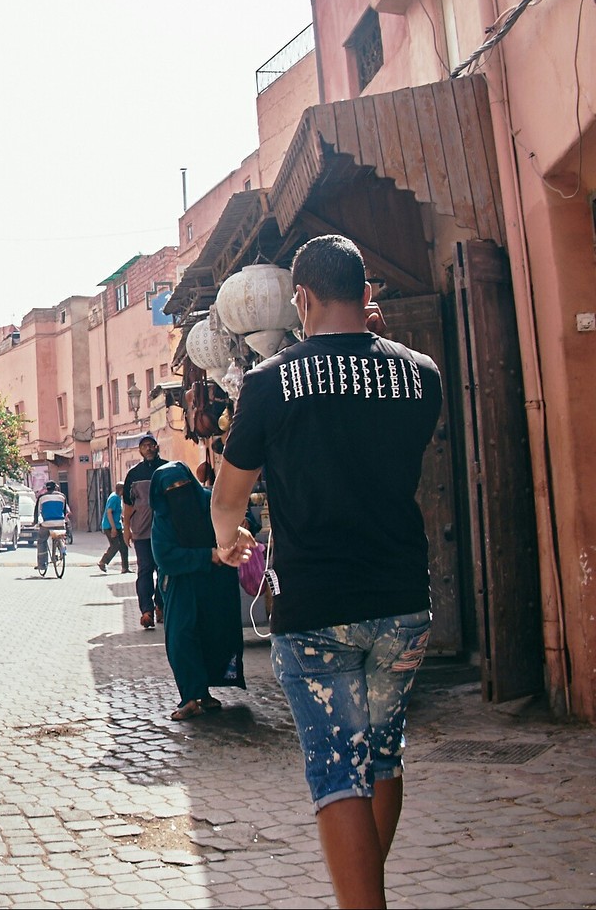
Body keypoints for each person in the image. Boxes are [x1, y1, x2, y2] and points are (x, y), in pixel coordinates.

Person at [212, 234, 442, 910]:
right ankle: (364, 891)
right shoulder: (420, 373)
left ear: (302, 298)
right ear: (367, 293)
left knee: (338, 770)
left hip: (315, 607)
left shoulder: (267, 383)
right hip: (402, 600)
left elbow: (227, 499)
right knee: (384, 754)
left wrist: (231, 540)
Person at [148, 460, 244, 721]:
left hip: (215, 584)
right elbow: (165, 557)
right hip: (181, 585)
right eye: (172, 490)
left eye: (183, 486)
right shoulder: (163, 520)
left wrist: (242, 528)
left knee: (214, 633)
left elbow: (235, 516)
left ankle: (205, 692)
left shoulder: (209, 501)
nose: (179, 493)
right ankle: (190, 697)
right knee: (181, 638)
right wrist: (207, 556)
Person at [121, 435, 167, 630]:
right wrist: (126, 530)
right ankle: (146, 611)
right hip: (142, 532)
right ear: (139, 451)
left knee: (164, 571)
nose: (147, 449)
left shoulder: (167, 469)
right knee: (145, 570)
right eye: (143, 446)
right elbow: (129, 505)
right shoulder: (134, 474)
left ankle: (161, 606)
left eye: (150, 445)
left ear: (156, 447)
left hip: (166, 531)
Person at [34, 481, 70, 575]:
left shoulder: (41, 497)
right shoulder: (62, 496)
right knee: (60, 536)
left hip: (46, 524)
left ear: (46, 488)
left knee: (42, 541)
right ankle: (62, 549)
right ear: (55, 487)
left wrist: (36, 522)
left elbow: (37, 512)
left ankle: (42, 564)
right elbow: (65, 510)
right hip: (60, 523)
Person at [97, 482, 130, 573]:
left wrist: (122, 518)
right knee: (115, 545)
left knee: (124, 546)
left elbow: (116, 512)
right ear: (121, 490)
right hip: (110, 526)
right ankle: (103, 562)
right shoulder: (114, 498)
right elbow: (109, 512)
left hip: (117, 525)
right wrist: (113, 528)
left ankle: (125, 568)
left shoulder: (118, 497)